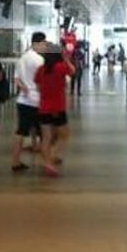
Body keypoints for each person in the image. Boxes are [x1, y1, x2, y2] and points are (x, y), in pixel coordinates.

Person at [35, 43, 76, 176]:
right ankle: (52, 154)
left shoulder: (41, 69)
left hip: (44, 107)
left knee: (46, 137)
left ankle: (47, 162)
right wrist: (66, 59)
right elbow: (73, 71)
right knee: (65, 134)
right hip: (58, 107)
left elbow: (38, 87)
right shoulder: (61, 67)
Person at [12, 32, 47, 172]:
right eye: (43, 44)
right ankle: (46, 161)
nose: (45, 47)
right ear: (36, 44)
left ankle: (15, 161)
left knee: (21, 131)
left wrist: (25, 89)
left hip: (23, 100)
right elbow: (43, 81)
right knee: (45, 132)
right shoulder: (39, 60)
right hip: (37, 100)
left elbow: (16, 79)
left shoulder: (22, 58)